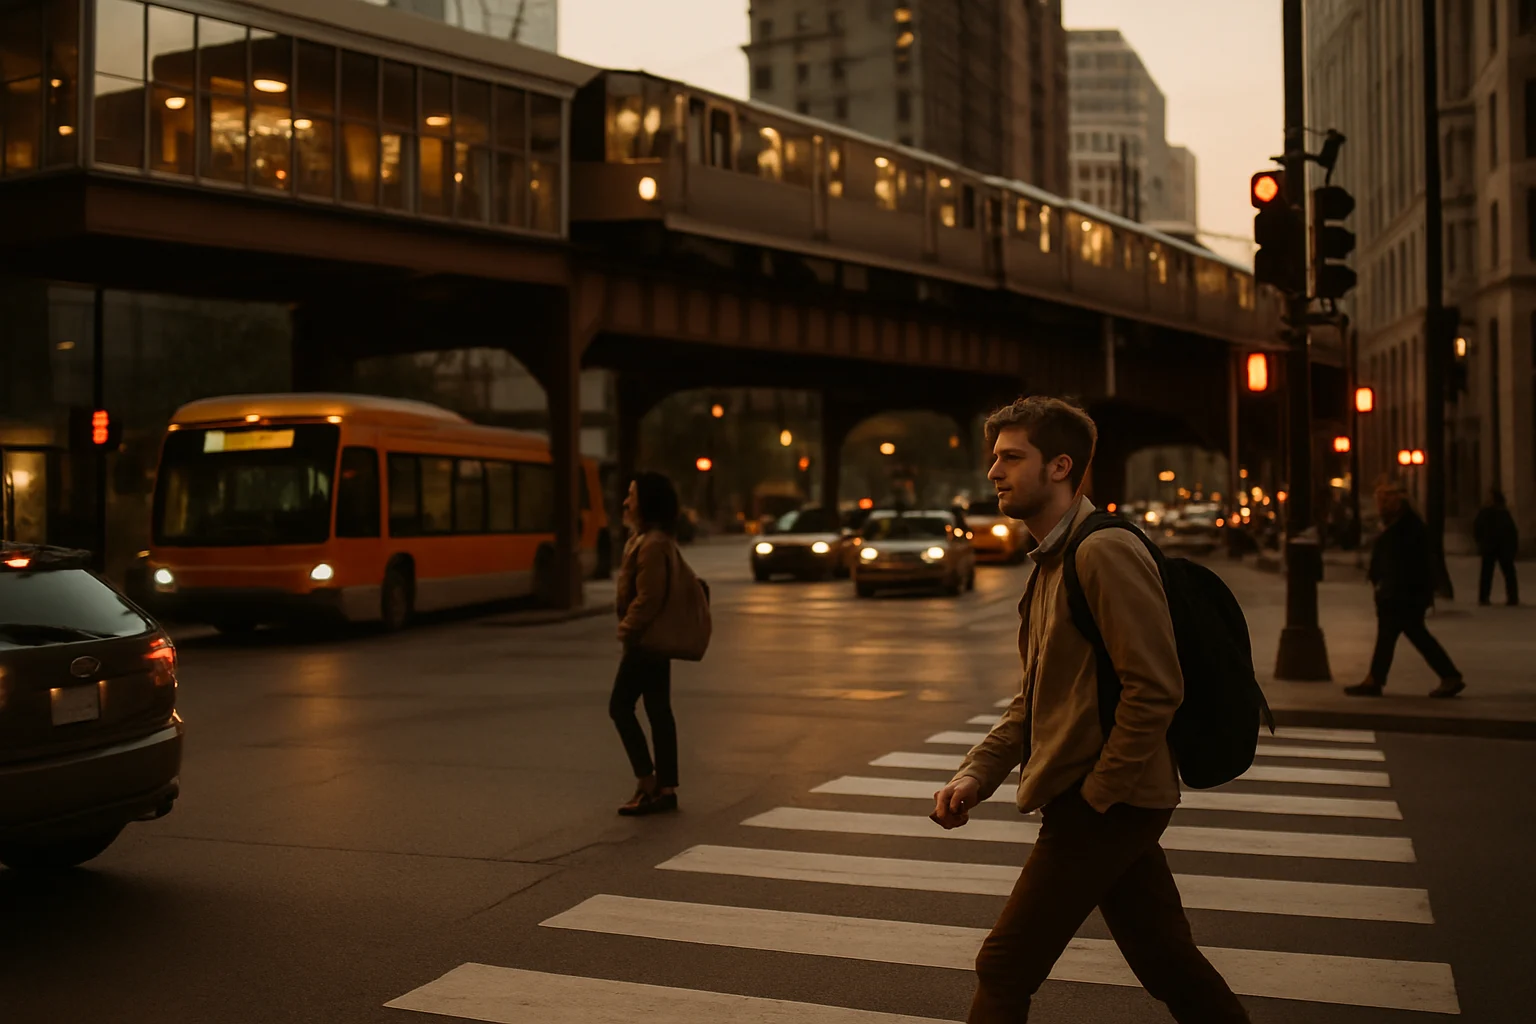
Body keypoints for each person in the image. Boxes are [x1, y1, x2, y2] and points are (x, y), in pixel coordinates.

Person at [932, 397, 1249, 1024]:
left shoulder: (1100, 552)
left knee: (1004, 966)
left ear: (1060, 466)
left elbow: (1155, 686)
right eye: (994, 457)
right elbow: (1040, 693)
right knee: (1166, 959)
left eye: (1011, 457)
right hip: (1104, 797)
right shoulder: (1055, 557)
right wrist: (977, 773)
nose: (994, 471)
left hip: (1104, 802)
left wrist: (1102, 792)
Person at [1345, 481, 1465, 698]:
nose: (1381, 505)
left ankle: (1449, 675)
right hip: (1398, 593)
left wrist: (1387, 586)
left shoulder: (1408, 527)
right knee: (1397, 636)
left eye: (1385, 500)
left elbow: (1405, 563)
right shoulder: (1399, 524)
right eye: (1380, 500)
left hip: (1403, 594)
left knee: (1410, 636)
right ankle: (1376, 679)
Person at [610, 472, 682, 816]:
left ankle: (648, 782)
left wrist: (627, 628)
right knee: (658, 712)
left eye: (632, 495)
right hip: (656, 641)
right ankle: (665, 789)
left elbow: (650, 597)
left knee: (620, 707)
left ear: (647, 502)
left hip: (645, 641)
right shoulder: (651, 539)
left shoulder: (651, 544)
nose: (626, 502)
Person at [1473, 489, 1520, 606]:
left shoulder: (1495, 512)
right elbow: (1511, 531)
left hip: (1496, 546)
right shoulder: (1497, 513)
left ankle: (1487, 597)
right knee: (1499, 573)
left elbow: (1477, 528)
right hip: (1496, 546)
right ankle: (1488, 597)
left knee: (1494, 573)